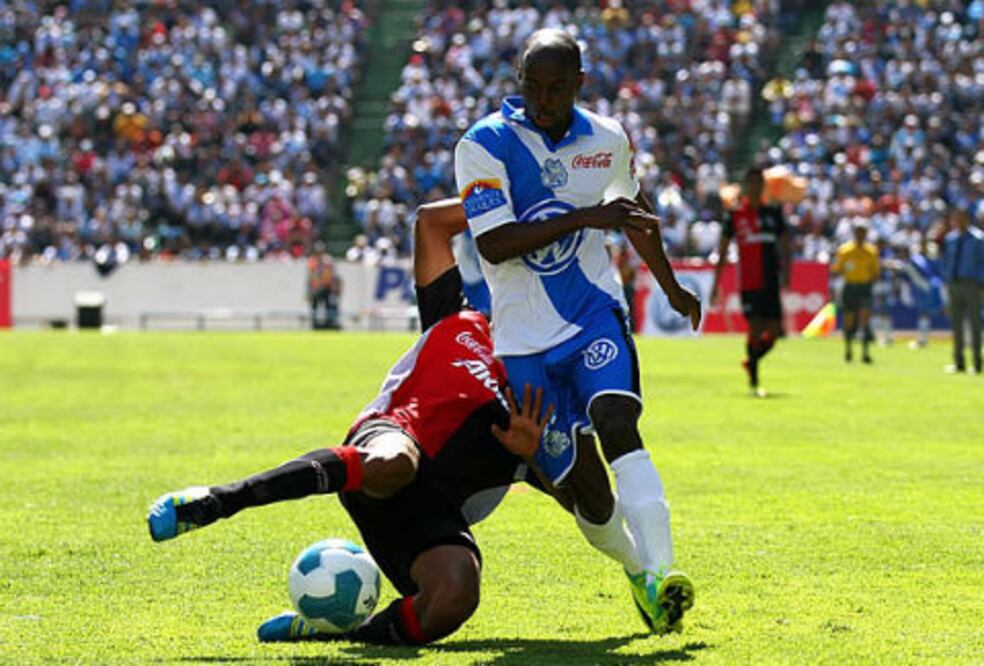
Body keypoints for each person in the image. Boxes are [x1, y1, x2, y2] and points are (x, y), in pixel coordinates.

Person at [146, 204, 648, 645]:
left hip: (429, 515)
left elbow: (586, 505)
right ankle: (218, 501)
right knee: (394, 461)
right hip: (384, 449)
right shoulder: (459, 316)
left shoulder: (542, 398)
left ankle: (342, 632)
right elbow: (432, 223)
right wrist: (521, 201)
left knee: (454, 597)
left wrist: (534, 451)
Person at [454, 28, 700, 633]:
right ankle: (638, 570)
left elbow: (634, 214)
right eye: (532, 86)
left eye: (557, 88)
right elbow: (495, 241)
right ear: (518, 83)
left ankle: (666, 572)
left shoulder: (607, 139)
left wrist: (669, 286)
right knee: (589, 492)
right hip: (521, 344)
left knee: (620, 423)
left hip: (592, 312)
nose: (543, 98)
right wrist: (588, 216)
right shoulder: (483, 144)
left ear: (579, 84)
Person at [709, 168, 791, 396]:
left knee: (774, 332)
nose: (755, 187)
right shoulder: (735, 215)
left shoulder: (773, 212)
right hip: (749, 281)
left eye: (758, 182)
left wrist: (787, 271)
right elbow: (723, 251)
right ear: (745, 186)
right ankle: (754, 381)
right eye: (751, 182)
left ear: (763, 185)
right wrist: (715, 286)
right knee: (755, 328)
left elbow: (785, 243)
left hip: (771, 279)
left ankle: (751, 361)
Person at [831, 219, 880, 363]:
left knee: (864, 322)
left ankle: (865, 353)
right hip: (850, 287)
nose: (860, 235)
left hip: (864, 287)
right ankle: (848, 351)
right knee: (849, 321)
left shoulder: (871, 251)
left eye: (863, 232)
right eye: (858, 232)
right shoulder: (845, 251)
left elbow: (875, 272)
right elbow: (837, 270)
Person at [941, 210, 984, 374]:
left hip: (972, 284)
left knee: (975, 325)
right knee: (956, 325)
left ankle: (977, 363)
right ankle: (959, 362)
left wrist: (982, 286)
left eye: (962, 218)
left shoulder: (978, 239)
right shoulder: (951, 239)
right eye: (956, 218)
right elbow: (946, 261)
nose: (958, 221)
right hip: (954, 284)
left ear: (968, 218)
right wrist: (946, 280)